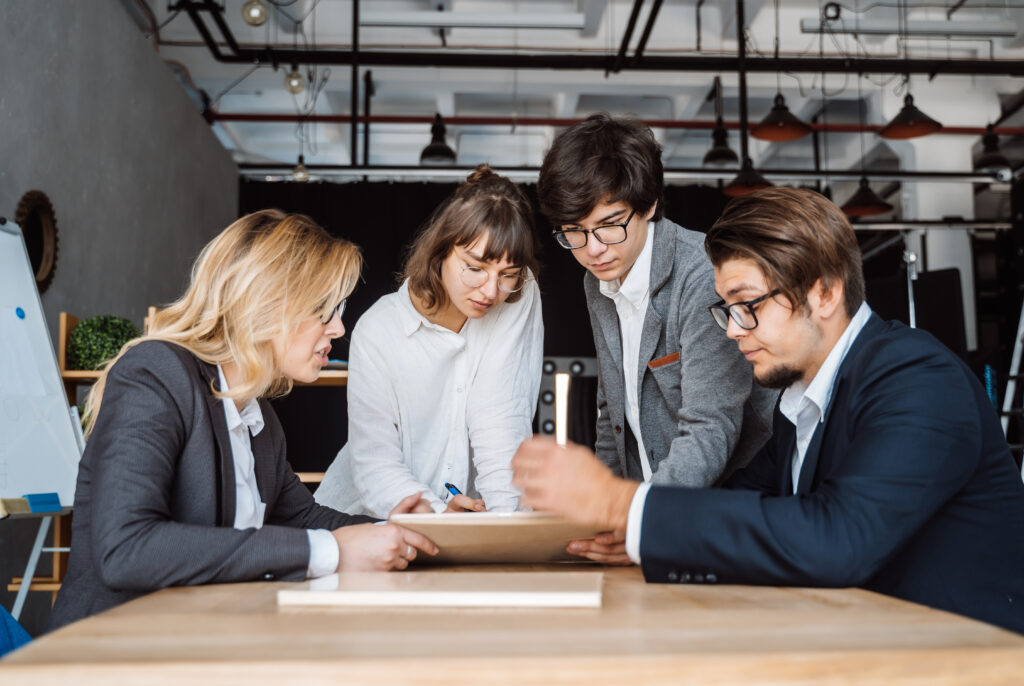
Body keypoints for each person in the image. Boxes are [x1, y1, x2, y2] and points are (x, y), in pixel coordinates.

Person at [512, 187, 1024, 634]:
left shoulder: (916, 379)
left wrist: (622, 505)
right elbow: (742, 506)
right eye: (727, 309)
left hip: (966, 659)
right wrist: (638, 536)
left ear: (824, 292)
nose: (732, 329)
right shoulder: (798, 407)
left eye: (747, 305)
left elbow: (837, 539)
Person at [48, 210, 438, 631]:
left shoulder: (259, 417)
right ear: (269, 304)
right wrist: (331, 551)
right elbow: (126, 548)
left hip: (200, 645)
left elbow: (305, 519)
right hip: (107, 657)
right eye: (325, 309)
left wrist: (406, 529)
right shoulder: (154, 374)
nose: (339, 328)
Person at [536, 113, 775, 563]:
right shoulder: (598, 278)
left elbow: (711, 426)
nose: (593, 249)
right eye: (574, 231)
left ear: (648, 205)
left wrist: (639, 519)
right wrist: (602, 517)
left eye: (609, 224)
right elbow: (613, 413)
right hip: (651, 523)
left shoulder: (702, 275)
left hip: (722, 518)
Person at [315, 166, 543, 518]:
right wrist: (439, 516)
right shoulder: (379, 330)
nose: (491, 290)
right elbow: (375, 463)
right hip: (370, 519)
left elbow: (501, 418)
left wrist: (505, 529)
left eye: (507, 274)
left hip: (469, 528)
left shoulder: (517, 294)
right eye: (474, 268)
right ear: (440, 254)